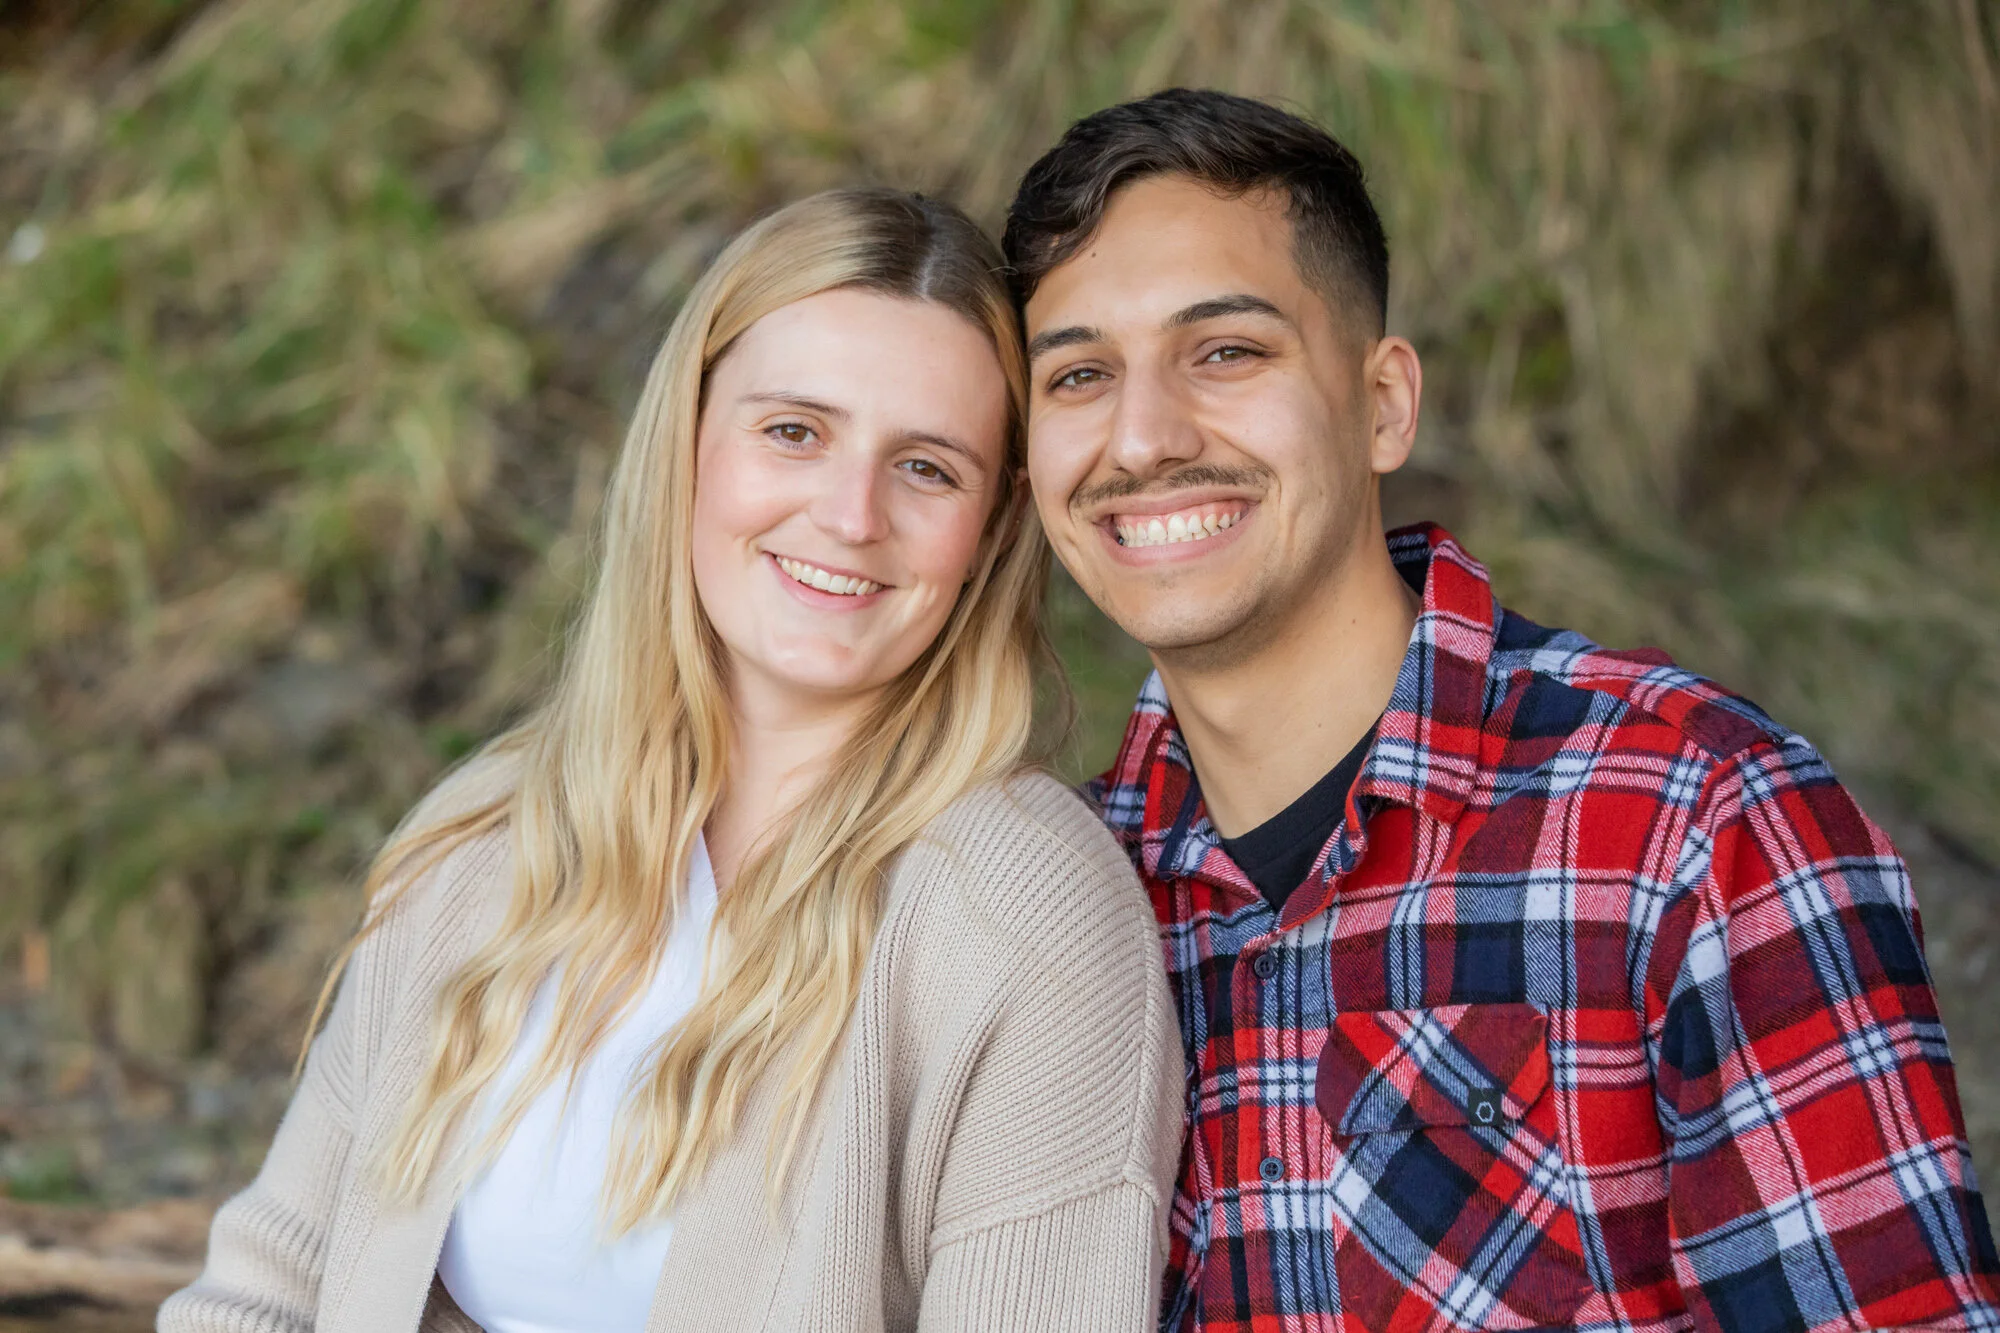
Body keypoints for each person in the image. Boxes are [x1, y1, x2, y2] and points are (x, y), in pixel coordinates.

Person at [1003, 88, 2000, 1333]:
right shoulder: (1062, 896)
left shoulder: (1689, 816)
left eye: (1225, 352)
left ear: (1381, 405)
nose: (1142, 438)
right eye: (1080, 374)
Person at [159, 187, 1181, 1333]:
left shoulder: (1022, 920)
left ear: (992, 529)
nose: (850, 515)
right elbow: (269, 1285)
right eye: (792, 430)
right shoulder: (489, 835)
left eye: (926, 468)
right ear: (685, 446)